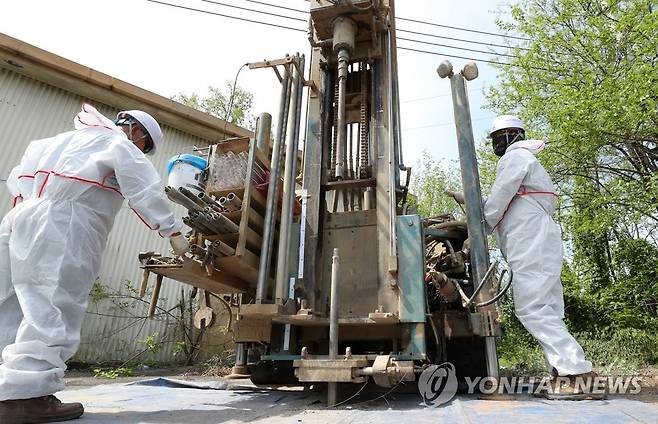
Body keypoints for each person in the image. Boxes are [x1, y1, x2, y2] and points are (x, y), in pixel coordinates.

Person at [0, 103, 190, 422]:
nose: (140, 151)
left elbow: (17, 182)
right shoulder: (118, 144)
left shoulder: (50, 142)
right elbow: (144, 189)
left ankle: (6, 387)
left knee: (12, 304)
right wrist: (172, 230)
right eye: (144, 146)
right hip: (66, 222)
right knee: (54, 304)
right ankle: (24, 397)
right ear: (136, 132)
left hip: (19, 218)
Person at [446, 115, 602, 400]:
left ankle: (578, 374)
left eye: (498, 137)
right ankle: (563, 373)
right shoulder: (526, 162)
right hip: (538, 240)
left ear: (513, 135)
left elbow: (498, 202)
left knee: (532, 307)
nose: (496, 144)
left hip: (530, 241)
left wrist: (476, 219)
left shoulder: (516, 157)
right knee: (548, 309)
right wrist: (472, 203)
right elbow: (503, 201)